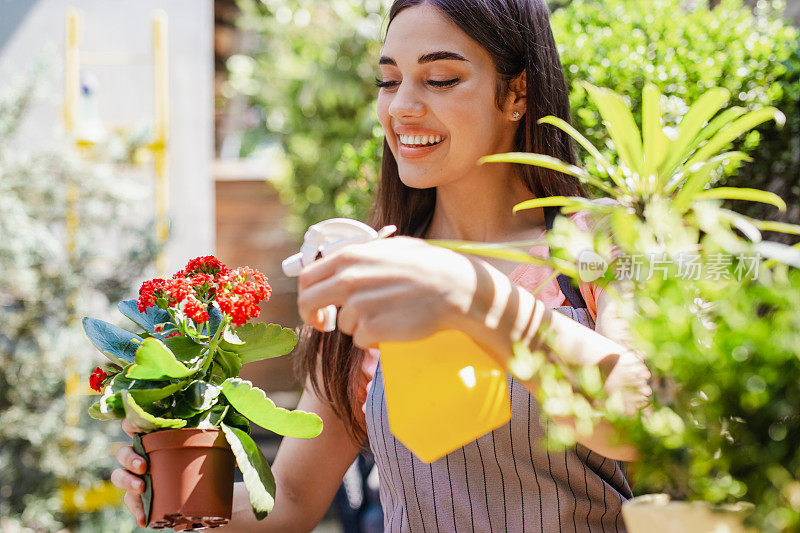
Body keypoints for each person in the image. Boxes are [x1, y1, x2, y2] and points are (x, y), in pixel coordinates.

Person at [111, 0, 651, 530]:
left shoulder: (603, 240)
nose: (401, 107)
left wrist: (473, 295)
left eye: (439, 79)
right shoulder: (366, 267)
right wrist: (179, 496)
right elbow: (293, 498)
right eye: (389, 81)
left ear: (517, 93)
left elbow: (634, 418)